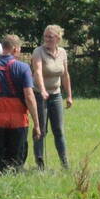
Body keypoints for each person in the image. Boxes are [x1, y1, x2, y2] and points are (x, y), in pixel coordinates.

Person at [0, 35, 41, 172]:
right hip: (18, 119)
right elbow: (29, 96)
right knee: (15, 161)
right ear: (15, 49)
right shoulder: (23, 68)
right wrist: (37, 124)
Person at [31, 24, 73, 169]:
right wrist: (42, 90)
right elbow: (37, 72)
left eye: (51, 36)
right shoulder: (38, 51)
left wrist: (69, 96)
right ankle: (40, 163)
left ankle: (65, 163)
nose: (47, 39)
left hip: (56, 95)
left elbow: (65, 74)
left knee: (59, 130)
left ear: (58, 38)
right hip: (39, 94)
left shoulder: (62, 52)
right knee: (41, 130)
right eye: (46, 36)